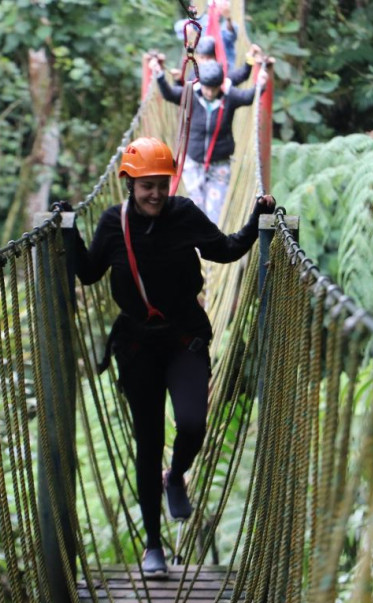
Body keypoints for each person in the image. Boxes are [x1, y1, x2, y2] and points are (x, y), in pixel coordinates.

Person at [72, 137, 277, 579]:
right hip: (136, 348)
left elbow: (224, 250)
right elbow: (88, 273)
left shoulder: (183, 213)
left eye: (161, 184)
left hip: (184, 339)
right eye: (147, 185)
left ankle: (176, 474)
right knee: (147, 444)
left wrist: (259, 219)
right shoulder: (113, 224)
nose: (156, 194)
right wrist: (67, 228)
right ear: (129, 183)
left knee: (192, 423)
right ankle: (153, 547)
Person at [150, 56, 268, 225]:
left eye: (214, 88)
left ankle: (208, 248)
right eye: (207, 88)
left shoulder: (230, 97)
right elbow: (169, 94)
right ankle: (196, 245)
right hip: (193, 164)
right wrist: (159, 75)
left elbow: (248, 97)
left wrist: (261, 85)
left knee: (214, 213)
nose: (210, 93)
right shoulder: (190, 95)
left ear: (221, 84)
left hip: (219, 165)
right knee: (195, 209)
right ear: (201, 84)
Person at [168, 36, 261, 87]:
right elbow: (183, 96)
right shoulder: (194, 76)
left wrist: (250, 56)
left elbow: (242, 75)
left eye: (209, 58)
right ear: (197, 58)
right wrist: (178, 81)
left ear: (215, 58)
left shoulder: (221, 73)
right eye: (202, 58)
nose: (206, 62)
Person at [174, 0, 238, 69]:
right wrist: (186, 26)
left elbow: (231, 34)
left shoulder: (231, 25)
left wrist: (228, 19)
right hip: (205, 68)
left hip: (224, 69)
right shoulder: (204, 20)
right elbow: (180, 26)